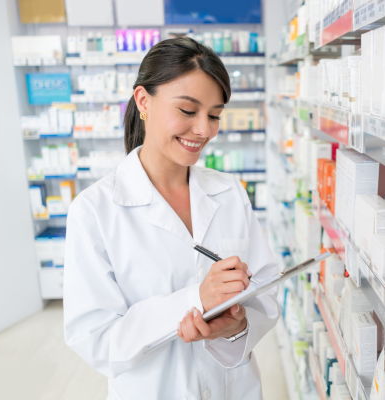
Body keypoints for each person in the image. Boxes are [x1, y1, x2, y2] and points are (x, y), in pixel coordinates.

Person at [63, 38, 280, 400]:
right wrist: (196, 298)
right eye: (187, 110)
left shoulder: (230, 193)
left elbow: (265, 297)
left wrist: (234, 328)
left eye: (214, 115)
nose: (204, 130)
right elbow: (96, 340)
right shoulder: (95, 210)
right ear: (143, 101)